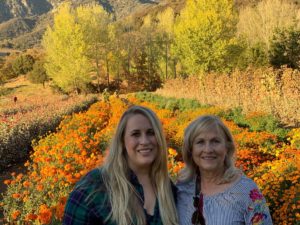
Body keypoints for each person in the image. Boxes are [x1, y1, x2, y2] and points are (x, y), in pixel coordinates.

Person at [63, 105, 178, 225]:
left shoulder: (167, 188)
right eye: (135, 134)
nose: (144, 141)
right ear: (122, 141)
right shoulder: (94, 187)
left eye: (151, 133)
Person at [176, 115, 273, 225]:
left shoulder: (246, 191)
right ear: (190, 149)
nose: (208, 149)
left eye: (215, 141)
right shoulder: (182, 187)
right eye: (200, 142)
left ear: (227, 147)